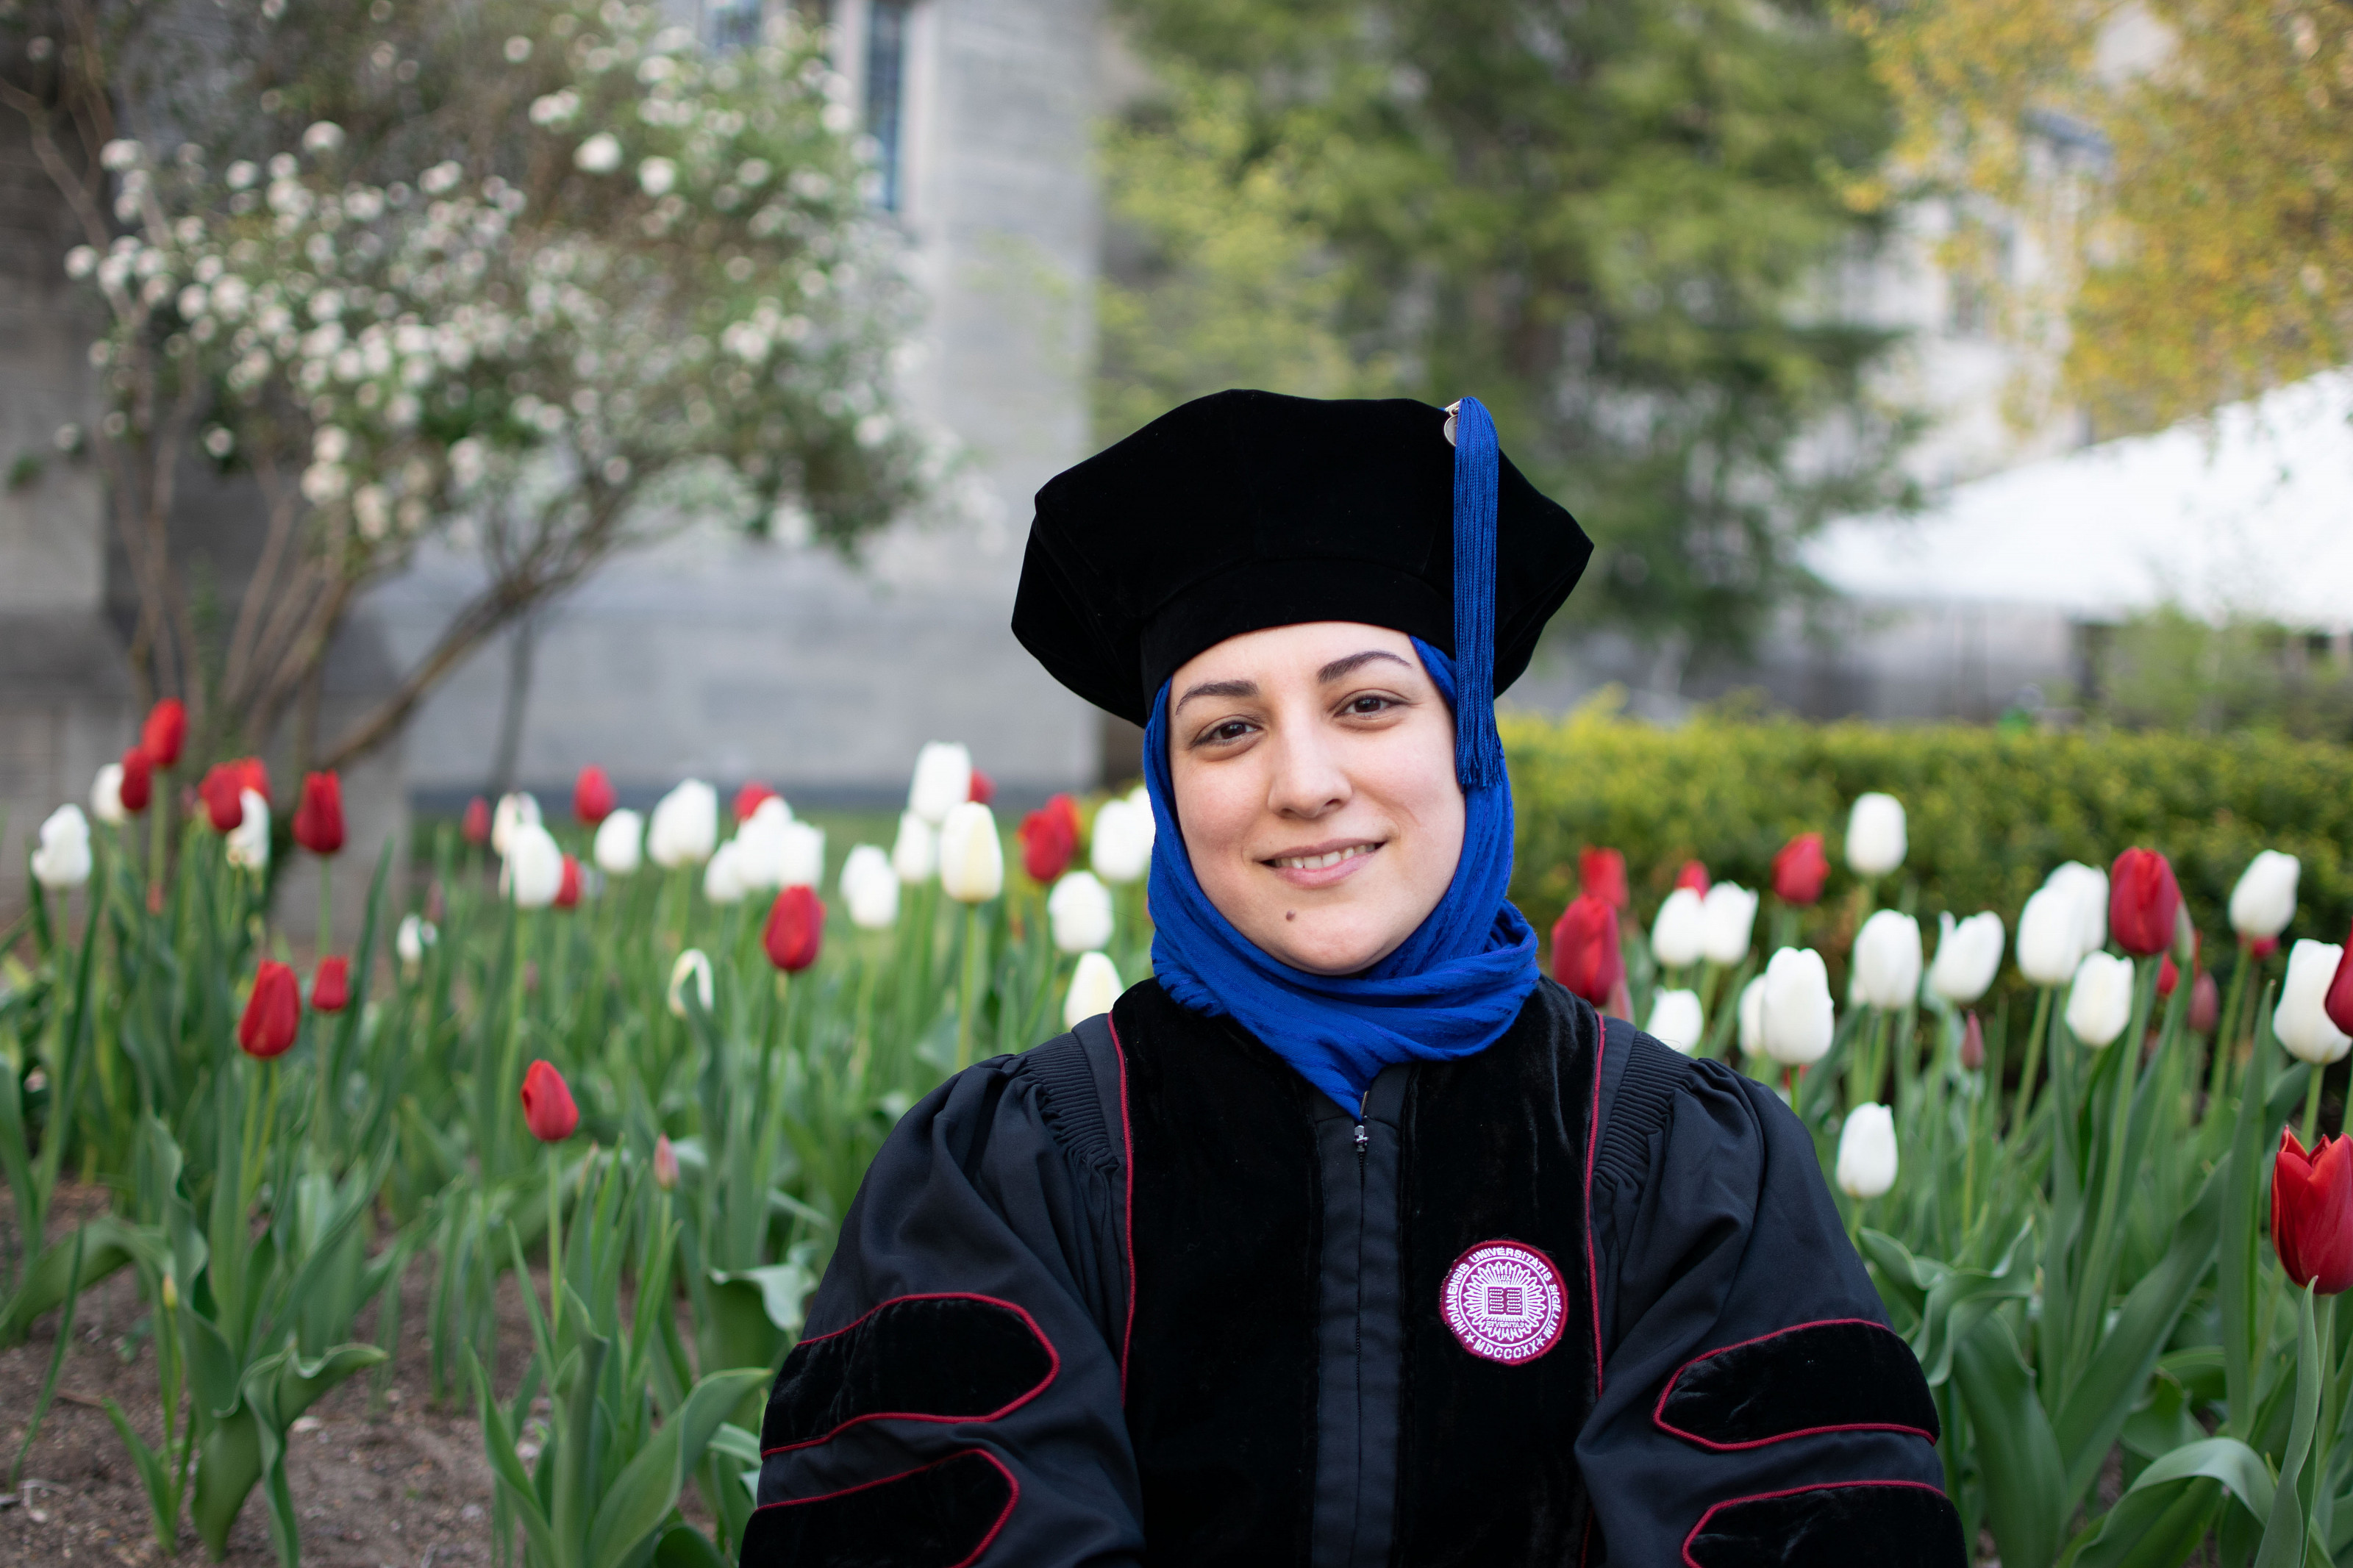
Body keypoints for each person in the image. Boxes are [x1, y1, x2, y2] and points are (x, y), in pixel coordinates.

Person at [742, 391, 1963, 1566]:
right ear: (1169, 790)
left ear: (1467, 738)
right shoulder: (1022, 1169)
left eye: (1369, 702)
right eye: (1227, 728)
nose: (1305, 780)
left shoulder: (1681, 1164)